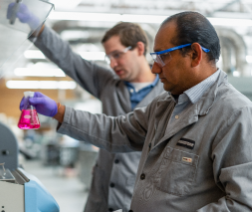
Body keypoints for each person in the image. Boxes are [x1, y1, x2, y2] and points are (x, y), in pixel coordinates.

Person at [20, 11, 252, 212]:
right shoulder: (165, 105)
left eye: (163, 56)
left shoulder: (235, 114)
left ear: (194, 54)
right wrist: (58, 111)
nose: (154, 67)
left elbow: (243, 204)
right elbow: (116, 130)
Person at [8, 4, 164, 212]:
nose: (112, 64)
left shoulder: (167, 95)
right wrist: (37, 25)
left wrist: (59, 111)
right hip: (100, 196)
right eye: (108, 57)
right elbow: (69, 59)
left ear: (140, 48)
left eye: (117, 55)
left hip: (138, 199)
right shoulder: (108, 83)